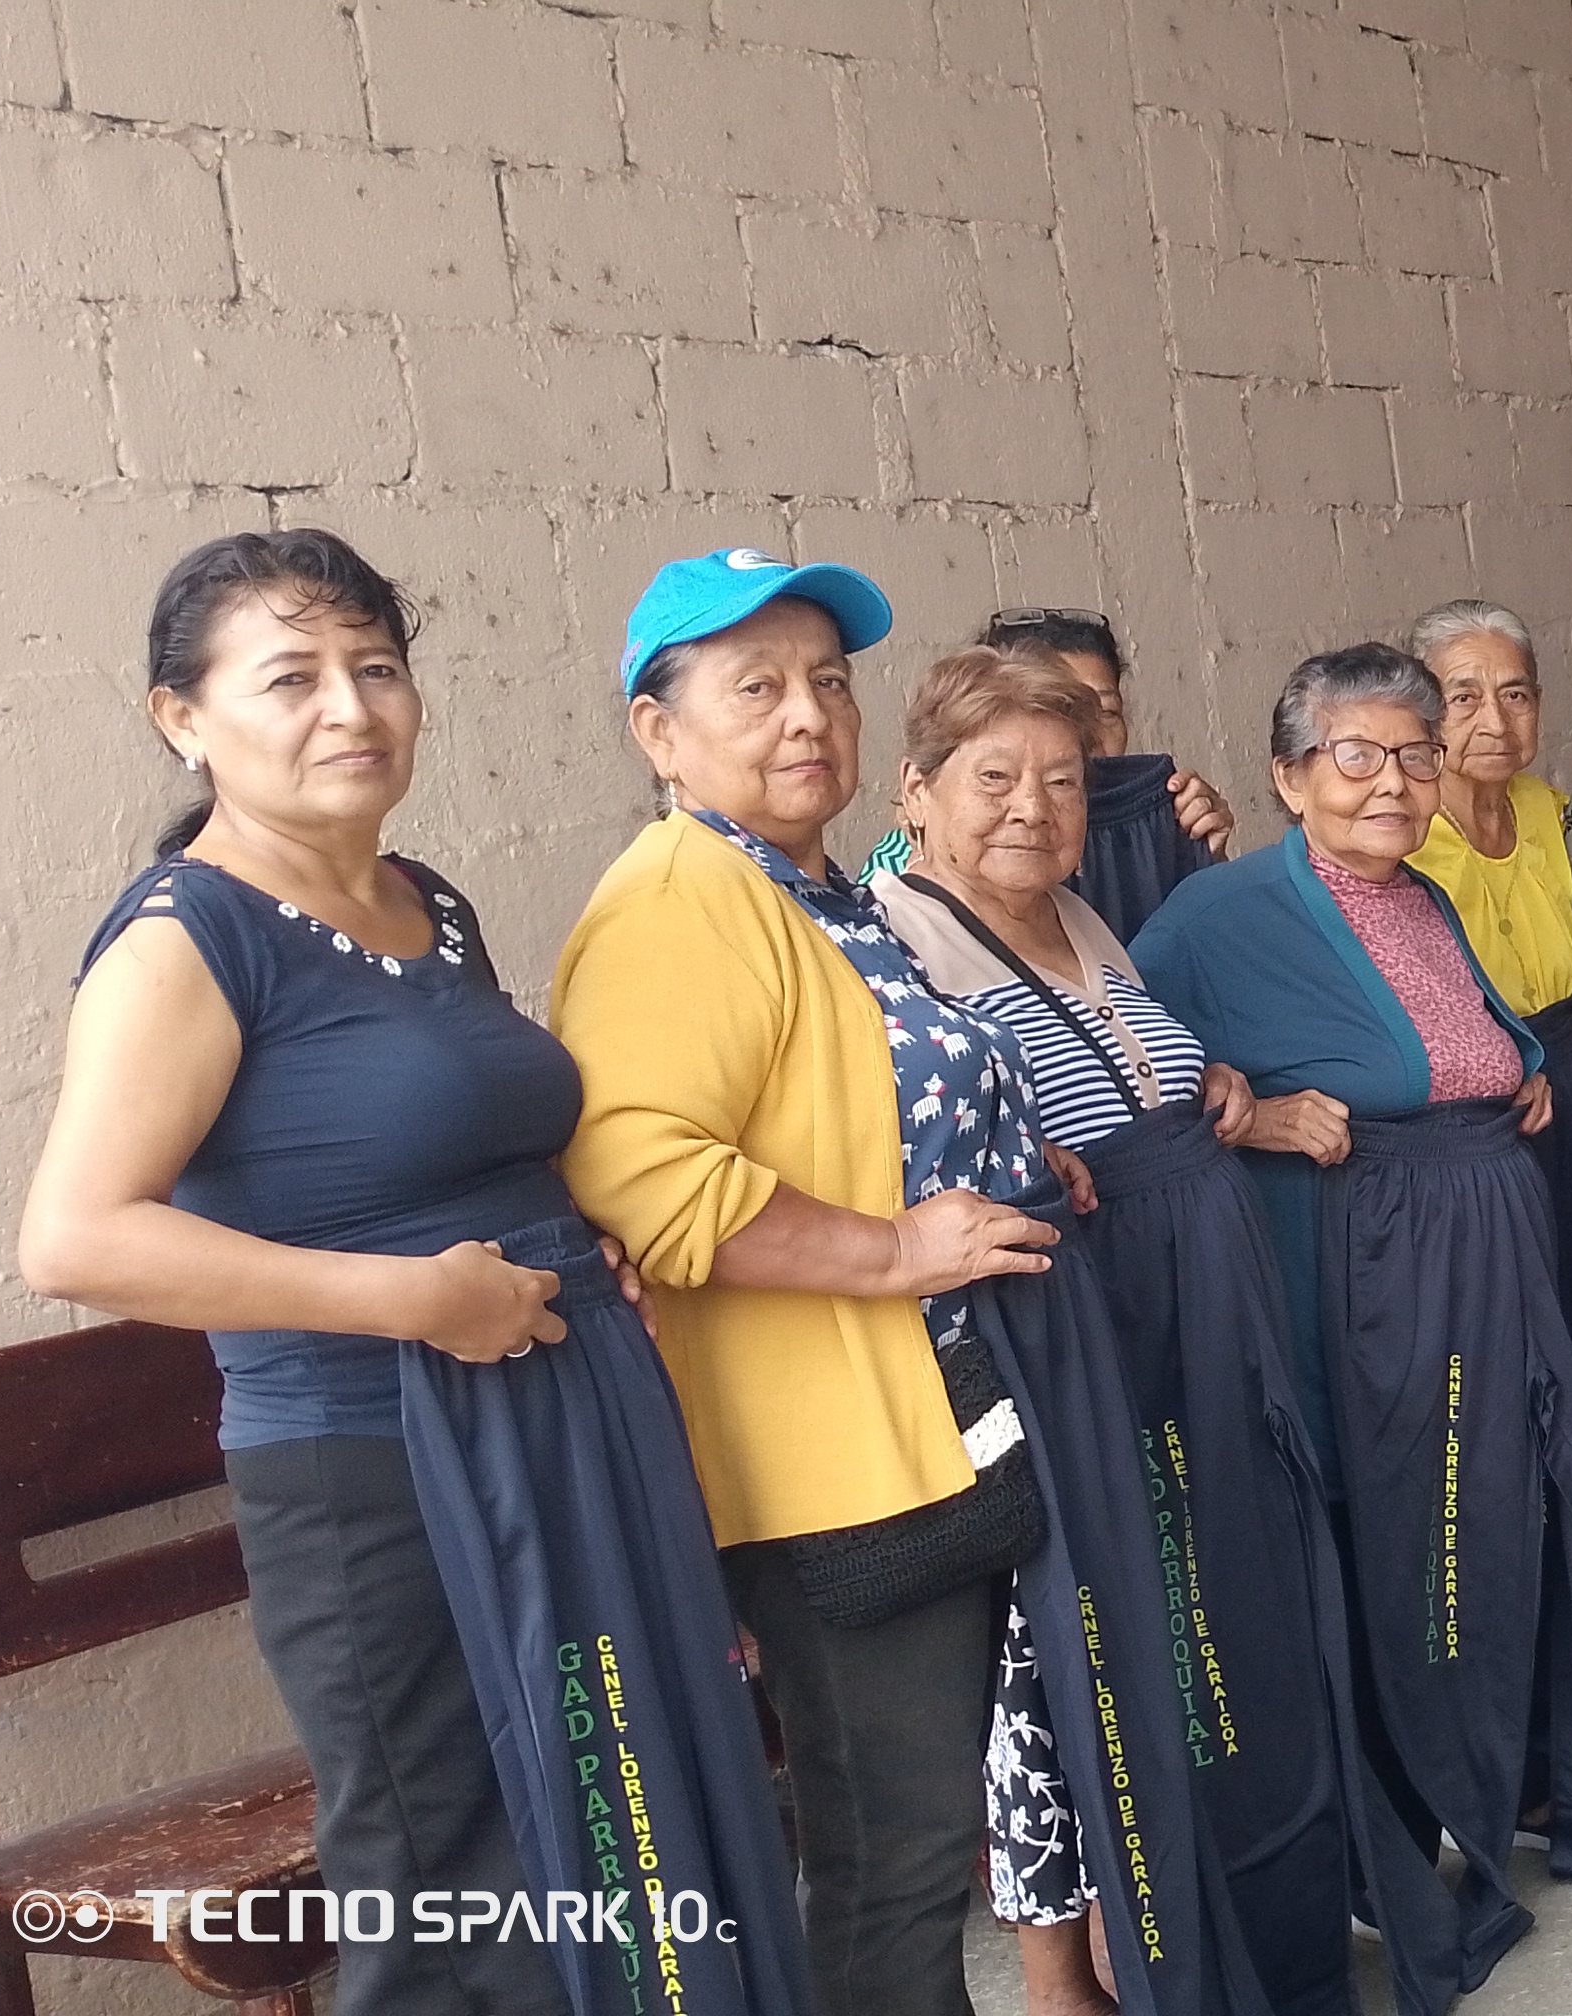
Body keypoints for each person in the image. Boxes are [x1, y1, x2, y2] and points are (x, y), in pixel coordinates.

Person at [20, 532, 801, 2016]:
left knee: (615, 1818)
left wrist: (576, 1242)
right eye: (291, 678)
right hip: (371, 1467)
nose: (350, 708)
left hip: (554, 1422)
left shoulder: (425, 900)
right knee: (447, 1880)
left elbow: (458, 1140)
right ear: (182, 718)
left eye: (376, 667)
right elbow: (77, 1236)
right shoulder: (189, 937)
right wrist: (410, 1299)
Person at [1132, 643, 1572, 1995]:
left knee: (1532, 1501)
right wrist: (1255, 1116)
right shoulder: (1219, 914)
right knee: (1414, 1531)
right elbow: (1133, 1061)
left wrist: (1517, 1068)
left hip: (1488, 1233)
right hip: (1375, 1262)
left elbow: (1464, 1036)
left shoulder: (1420, 891)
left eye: (1414, 753)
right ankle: (1413, 1833)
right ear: (1289, 776)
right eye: (1356, 755)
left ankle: (1561, 1791)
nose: (1392, 781)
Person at [554, 548, 1066, 2016]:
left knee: (920, 1835)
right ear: (658, 732)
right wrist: (896, 1252)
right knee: (891, 1853)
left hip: (922, 1423)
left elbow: (855, 1108)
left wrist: (1011, 1156)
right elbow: (640, 1173)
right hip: (822, 1464)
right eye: (756, 687)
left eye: (829, 683)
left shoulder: (818, 888)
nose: (807, 716)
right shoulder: (679, 898)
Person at [864, 646, 1350, 2012]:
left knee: (1193, 1630)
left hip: (1178, 1311)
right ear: (916, 789)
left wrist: (1210, 1080)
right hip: (1046, 1331)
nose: (1033, 806)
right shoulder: (891, 940)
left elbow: (1125, 1069)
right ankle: (1072, 1980)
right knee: (1055, 1650)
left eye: (1063, 780)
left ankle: (1207, 1932)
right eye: (995, 777)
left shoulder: (1079, 915)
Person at [1405, 598, 1572, 1506]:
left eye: (1516, 694)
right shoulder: (1399, 830)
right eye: (1462, 697)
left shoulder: (1552, 810)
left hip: (1566, 1077)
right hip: (1470, 1106)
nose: (1494, 721)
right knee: (1502, 1340)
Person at [860, 608, 1234, 936]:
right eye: (995, 775)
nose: (1085, 739)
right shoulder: (894, 899)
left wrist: (1206, 863)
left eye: (1104, 713)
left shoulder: (1083, 928)